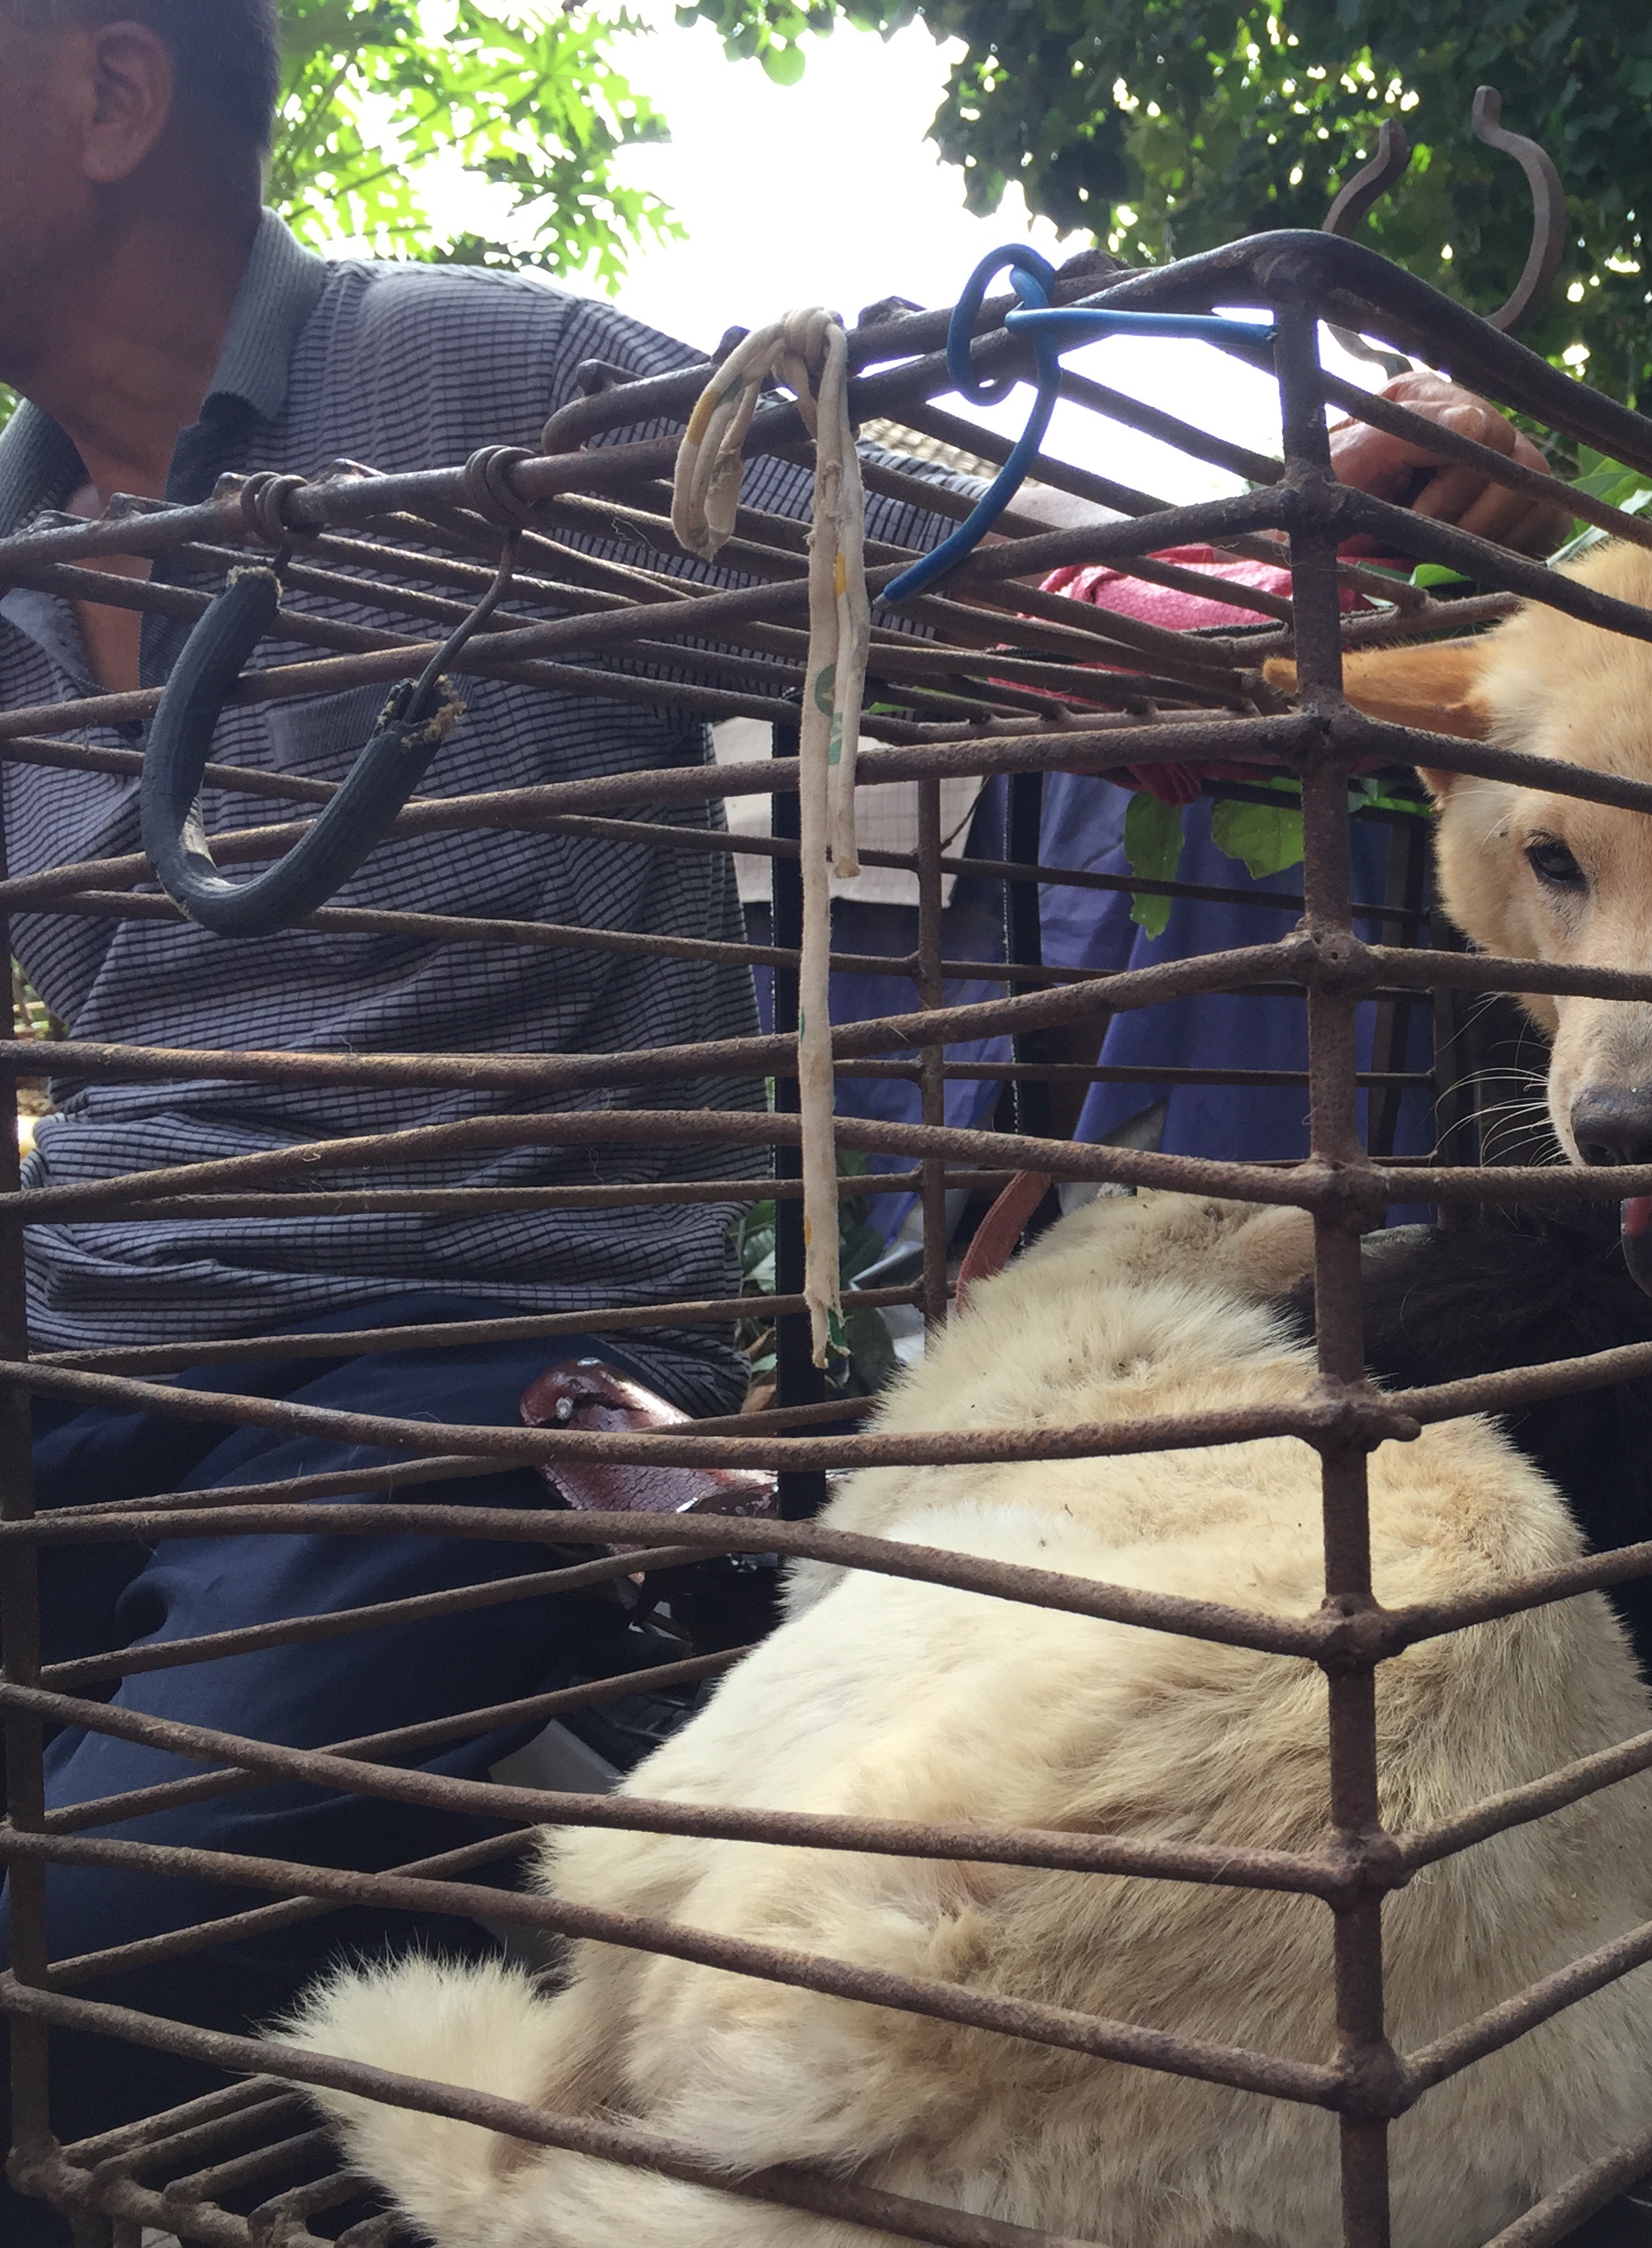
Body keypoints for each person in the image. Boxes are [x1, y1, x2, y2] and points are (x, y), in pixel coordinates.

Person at [0, 0, 1559, 2219]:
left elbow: (974, 578)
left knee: (108, 1921)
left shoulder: (484, 383)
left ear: (111, 94)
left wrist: (1303, 551)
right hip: (91, 1312)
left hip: (472, 1339)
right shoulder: (19, 558)